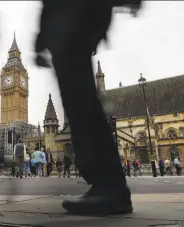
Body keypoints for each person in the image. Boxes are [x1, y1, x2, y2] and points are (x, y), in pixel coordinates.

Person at [35, 0, 142, 215]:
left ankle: (109, 187)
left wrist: (43, 35)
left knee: (82, 105)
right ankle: (108, 186)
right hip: (69, 22)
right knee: (80, 104)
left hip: (74, 19)